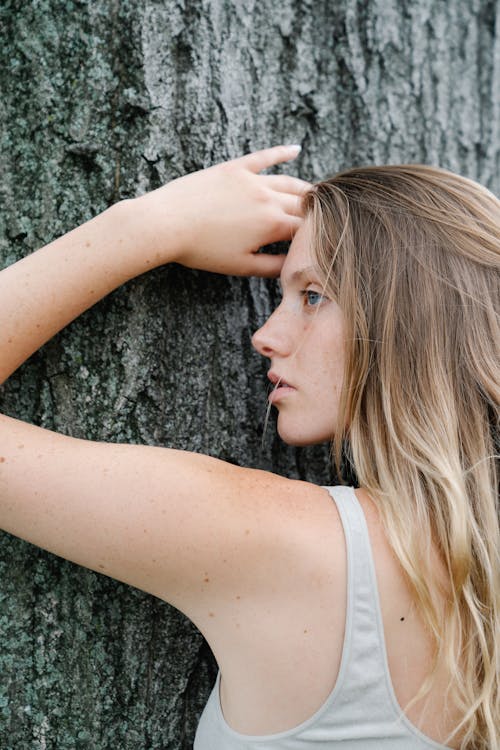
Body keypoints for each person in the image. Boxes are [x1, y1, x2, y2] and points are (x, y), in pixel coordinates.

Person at [0, 144, 498, 750]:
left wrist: (149, 225)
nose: (266, 336)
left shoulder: (286, 545)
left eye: (312, 295)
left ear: (412, 322)